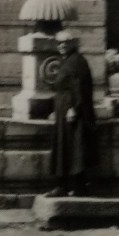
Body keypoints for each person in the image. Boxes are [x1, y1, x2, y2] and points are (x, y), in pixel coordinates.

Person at [47, 31, 96, 196]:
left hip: (73, 112)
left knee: (74, 148)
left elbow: (80, 87)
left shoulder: (77, 61)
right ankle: (66, 185)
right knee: (65, 146)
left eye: (65, 43)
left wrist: (74, 107)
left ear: (73, 44)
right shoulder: (67, 60)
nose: (62, 46)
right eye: (59, 43)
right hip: (63, 109)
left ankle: (75, 186)